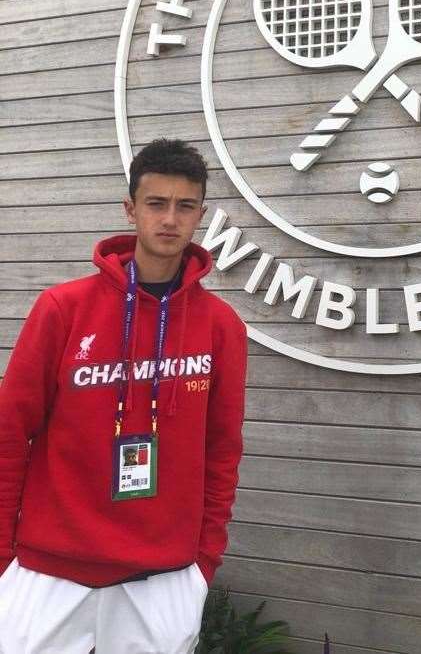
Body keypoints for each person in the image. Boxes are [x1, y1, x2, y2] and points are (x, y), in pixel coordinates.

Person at [0, 139, 248, 654]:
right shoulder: (63, 309)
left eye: (185, 206)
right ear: (130, 209)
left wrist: (203, 563)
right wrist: (3, 557)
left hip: (163, 579)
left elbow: (222, 449)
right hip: (48, 574)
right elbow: (8, 434)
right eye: (156, 204)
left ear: (200, 214)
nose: (170, 220)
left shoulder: (220, 326)